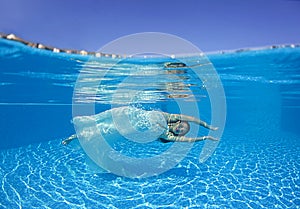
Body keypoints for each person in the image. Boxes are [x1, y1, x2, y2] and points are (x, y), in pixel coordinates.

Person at [62, 108, 218, 145]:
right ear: (178, 122)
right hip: (130, 112)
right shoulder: (169, 117)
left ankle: (74, 137)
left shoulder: (166, 135)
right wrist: (208, 126)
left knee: (102, 131)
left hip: (127, 128)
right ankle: (88, 120)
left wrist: (204, 137)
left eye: (181, 132)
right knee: (103, 117)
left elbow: (188, 141)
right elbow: (191, 118)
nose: (180, 130)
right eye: (182, 127)